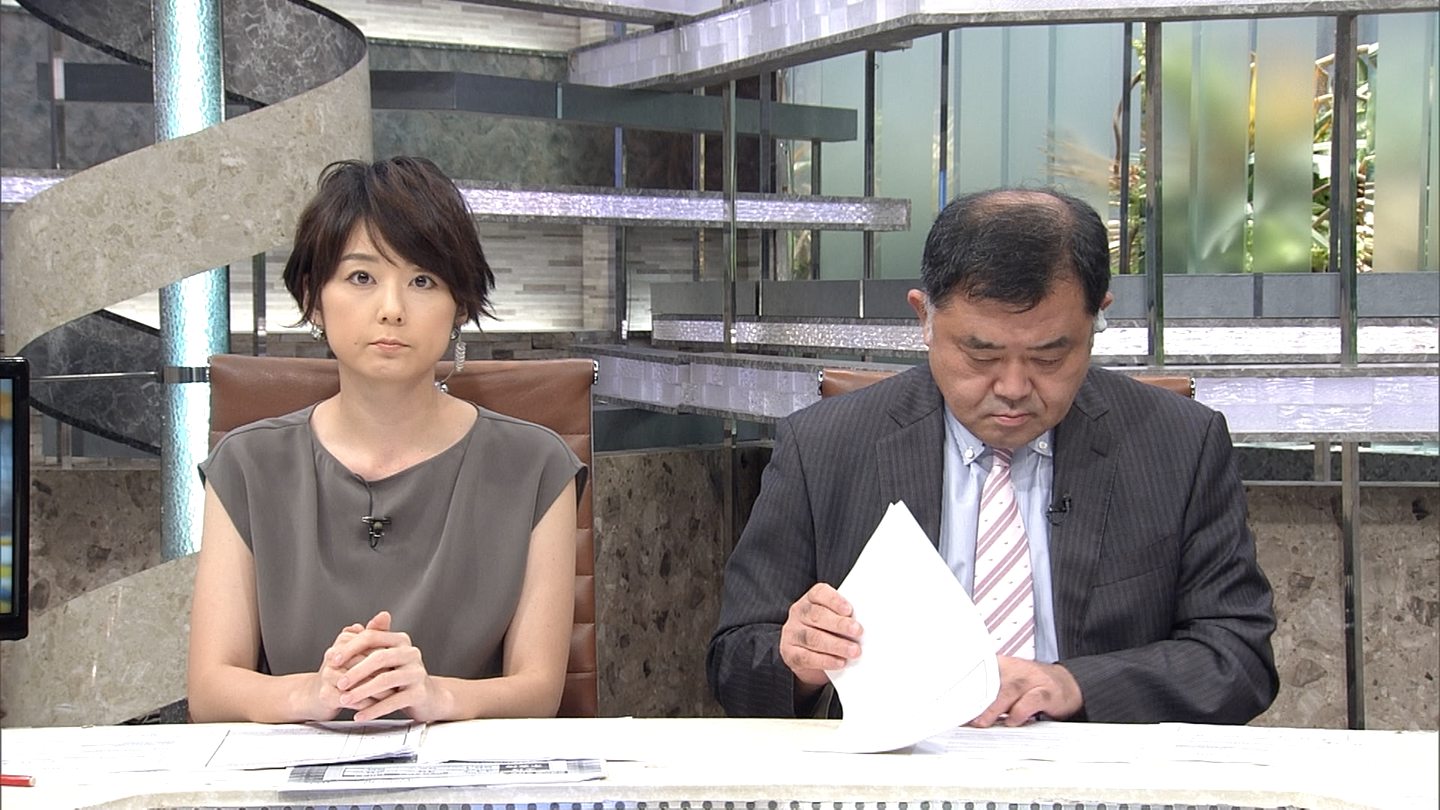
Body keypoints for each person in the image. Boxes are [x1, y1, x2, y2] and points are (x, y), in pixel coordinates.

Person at [706, 188, 1278, 726]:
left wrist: (1072, 684)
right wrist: (801, 662)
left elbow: (1238, 658)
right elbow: (736, 665)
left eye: (1049, 356)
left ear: (1097, 318)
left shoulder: (1179, 444)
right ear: (924, 318)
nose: (1013, 388)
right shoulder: (824, 445)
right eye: (981, 355)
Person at [188, 156, 583, 723]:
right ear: (313, 298)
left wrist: (438, 696)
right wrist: (314, 694)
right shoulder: (247, 465)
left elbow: (539, 690)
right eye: (361, 278)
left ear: (460, 306)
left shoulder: (536, 466)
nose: (392, 310)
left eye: (423, 281)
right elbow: (210, 690)